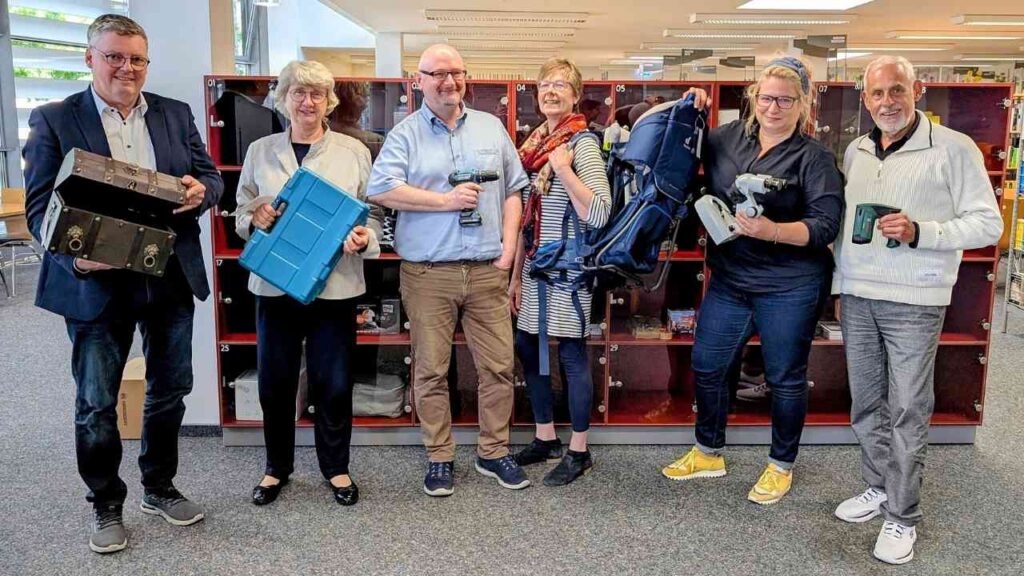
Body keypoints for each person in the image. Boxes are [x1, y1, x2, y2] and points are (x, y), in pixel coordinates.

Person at [22, 14, 222, 554]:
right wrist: (77, 261)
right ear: (90, 58)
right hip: (96, 284)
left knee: (170, 390)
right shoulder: (55, 119)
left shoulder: (174, 113)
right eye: (114, 56)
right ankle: (106, 502)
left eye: (136, 59)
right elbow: (39, 209)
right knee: (96, 403)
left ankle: (159, 486)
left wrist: (201, 191)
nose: (126, 68)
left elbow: (210, 177)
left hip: (168, 275)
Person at [831, 56, 1002, 565]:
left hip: (915, 300)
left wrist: (921, 232)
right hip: (859, 295)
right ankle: (879, 485)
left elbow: (987, 224)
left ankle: (902, 516)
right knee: (866, 403)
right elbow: (846, 229)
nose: (887, 102)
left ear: (918, 90)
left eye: (897, 90)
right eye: (877, 93)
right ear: (865, 99)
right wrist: (841, 284)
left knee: (907, 408)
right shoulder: (858, 150)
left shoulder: (953, 148)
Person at [660, 56, 844, 505]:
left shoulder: (814, 158)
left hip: (791, 283)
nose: (773, 108)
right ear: (753, 98)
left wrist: (772, 231)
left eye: (785, 100)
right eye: (766, 98)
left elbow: (825, 226)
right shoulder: (724, 140)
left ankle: (781, 465)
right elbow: (669, 138)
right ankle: (708, 451)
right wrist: (689, 105)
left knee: (784, 376)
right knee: (708, 364)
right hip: (731, 279)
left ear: (802, 104)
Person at [367, 44, 530, 496]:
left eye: (455, 72)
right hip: (428, 273)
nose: (448, 81)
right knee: (431, 371)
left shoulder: (491, 127)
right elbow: (381, 189)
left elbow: (514, 190)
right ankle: (439, 455)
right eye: (437, 73)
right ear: (418, 81)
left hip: (486, 270)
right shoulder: (405, 135)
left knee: (498, 367)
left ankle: (493, 451)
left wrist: (508, 250)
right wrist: (445, 201)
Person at [234, 60, 381, 508]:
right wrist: (254, 219)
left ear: (329, 102)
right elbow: (242, 210)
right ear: (284, 99)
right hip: (275, 285)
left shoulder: (353, 152)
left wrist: (365, 237)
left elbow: (373, 212)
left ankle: (336, 467)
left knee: (333, 382)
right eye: (298, 92)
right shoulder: (260, 150)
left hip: (334, 286)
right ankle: (276, 468)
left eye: (317, 93)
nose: (307, 102)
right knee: (275, 383)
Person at [509, 58, 611, 486]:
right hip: (536, 266)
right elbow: (525, 219)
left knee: (571, 354)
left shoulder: (581, 144)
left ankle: (579, 451)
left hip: (569, 269)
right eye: (544, 85)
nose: (551, 91)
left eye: (560, 85)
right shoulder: (535, 144)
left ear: (575, 95)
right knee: (528, 346)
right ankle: (546, 436)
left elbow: (600, 212)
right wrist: (515, 276)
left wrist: (565, 169)